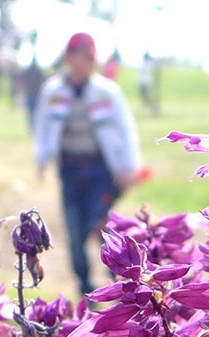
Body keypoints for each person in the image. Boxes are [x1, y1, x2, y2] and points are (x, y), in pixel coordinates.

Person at [34, 32, 140, 297]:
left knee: (99, 223)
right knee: (74, 229)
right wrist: (42, 157)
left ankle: (122, 279)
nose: (86, 63)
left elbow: (126, 128)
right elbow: (43, 125)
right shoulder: (53, 91)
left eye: (90, 58)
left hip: (99, 168)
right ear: (69, 58)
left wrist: (129, 165)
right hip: (69, 169)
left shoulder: (107, 90)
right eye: (81, 57)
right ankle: (85, 287)